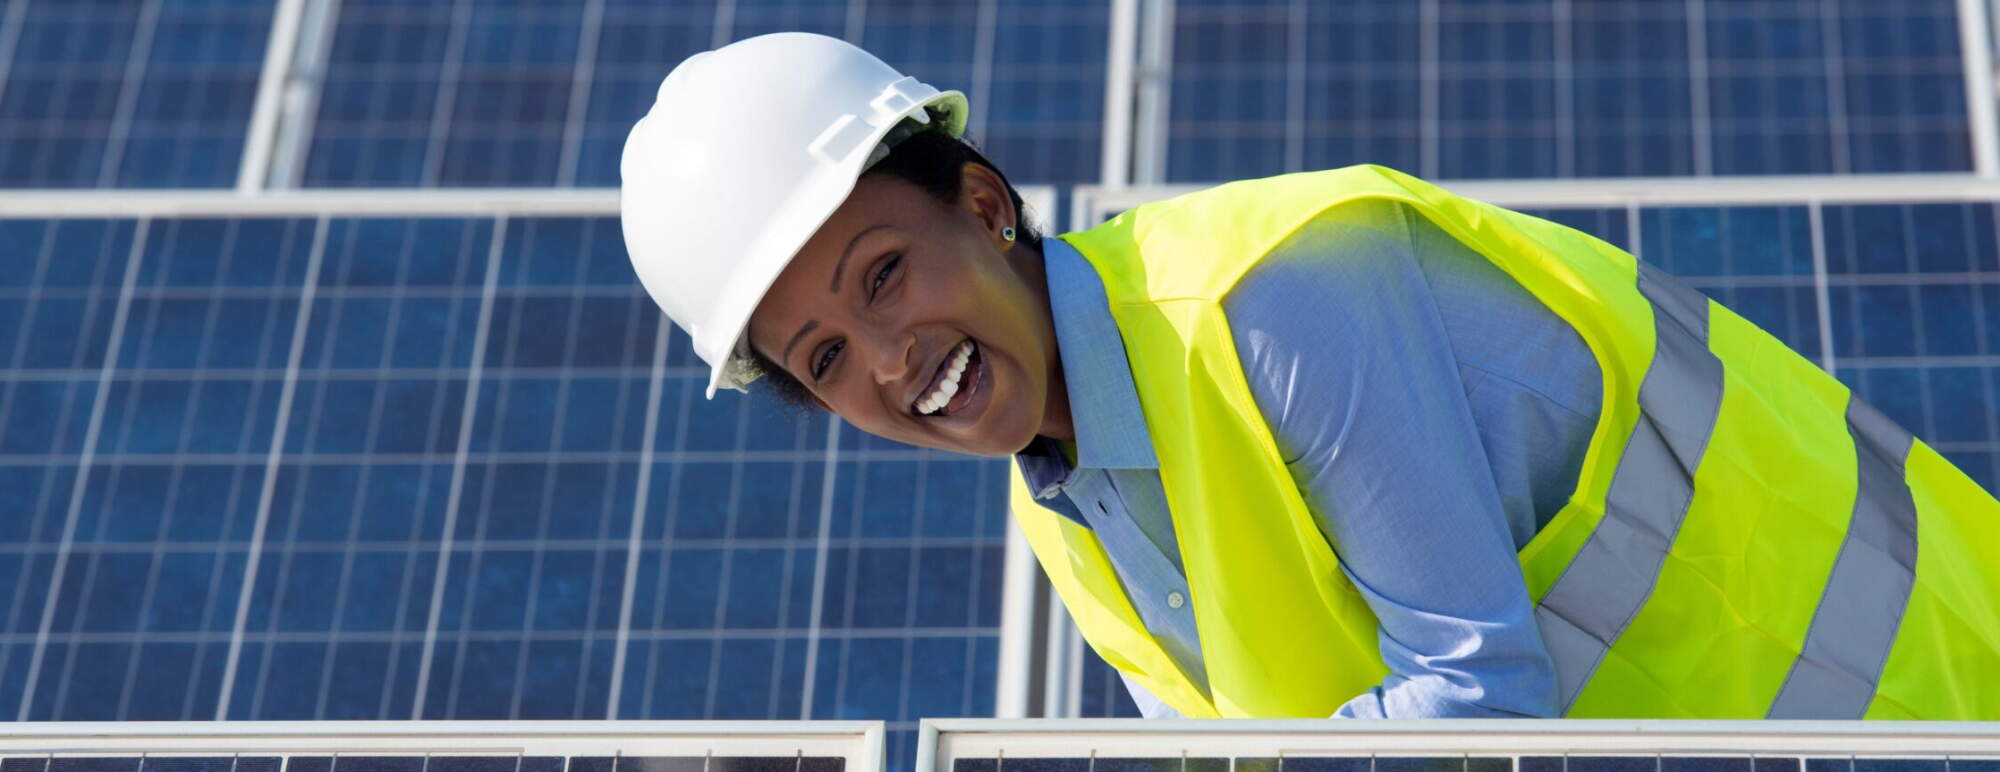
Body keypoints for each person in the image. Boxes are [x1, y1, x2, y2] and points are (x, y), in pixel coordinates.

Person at [618, 32, 2000, 719]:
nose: (888, 362)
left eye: (879, 278)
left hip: (1921, 699)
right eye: (825, 361)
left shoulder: (1274, 298)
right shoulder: (1070, 520)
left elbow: (1477, 693)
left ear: (983, 206)